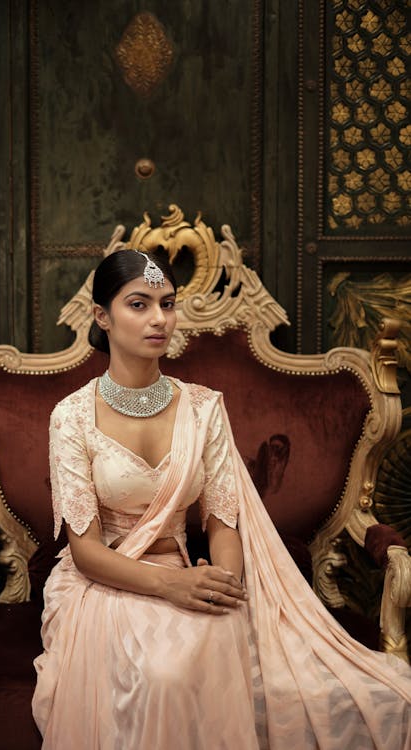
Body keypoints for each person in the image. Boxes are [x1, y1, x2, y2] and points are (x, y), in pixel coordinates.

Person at [32, 249, 411, 749]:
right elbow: (86, 551)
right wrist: (169, 588)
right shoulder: (73, 417)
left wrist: (222, 585)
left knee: (371, 693)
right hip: (106, 584)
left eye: (167, 304)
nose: (159, 319)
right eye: (139, 304)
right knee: (165, 677)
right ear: (102, 316)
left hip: (190, 575)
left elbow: (223, 523)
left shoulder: (203, 408)